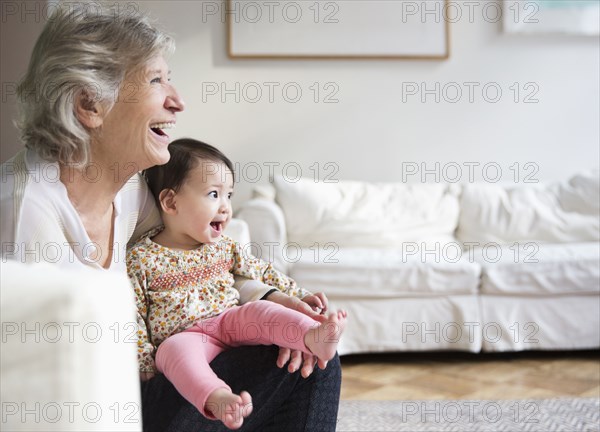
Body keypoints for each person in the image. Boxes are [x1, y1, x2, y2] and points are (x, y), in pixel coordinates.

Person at [0, 4, 343, 432]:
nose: (177, 101)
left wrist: (274, 304)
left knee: (309, 353)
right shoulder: (25, 212)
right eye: (156, 80)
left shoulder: (129, 190)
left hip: (137, 388)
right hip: (95, 409)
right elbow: (30, 399)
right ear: (90, 104)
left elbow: (201, 255)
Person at [127, 138, 347, 429]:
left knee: (259, 312)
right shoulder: (142, 257)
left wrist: (299, 297)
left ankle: (311, 334)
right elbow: (134, 315)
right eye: (214, 194)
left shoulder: (224, 247)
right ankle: (217, 397)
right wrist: (144, 361)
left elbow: (265, 273)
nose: (226, 207)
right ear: (170, 202)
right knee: (174, 353)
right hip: (184, 336)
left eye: (229, 195)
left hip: (228, 320)